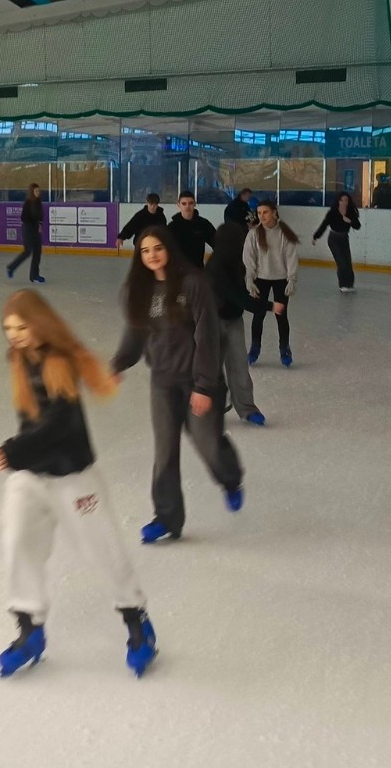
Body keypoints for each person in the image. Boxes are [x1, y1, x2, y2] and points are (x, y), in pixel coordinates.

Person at [0, 288, 157, 679]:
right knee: (18, 541)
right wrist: (20, 456)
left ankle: (137, 622)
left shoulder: (58, 361)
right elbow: (33, 421)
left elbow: (60, 424)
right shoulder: (18, 358)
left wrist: (13, 450)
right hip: (30, 475)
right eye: (8, 328)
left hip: (72, 476)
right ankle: (29, 630)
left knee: (102, 549)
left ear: (40, 324)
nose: (14, 335)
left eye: (21, 327)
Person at [111, 228, 244, 544]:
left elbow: (208, 335)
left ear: (168, 248)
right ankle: (167, 517)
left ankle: (230, 479)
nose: (152, 255)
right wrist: (118, 364)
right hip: (163, 382)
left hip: (200, 379)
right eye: (145, 251)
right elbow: (135, 332)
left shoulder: (193, 283)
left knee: (207, 442)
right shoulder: (141, 289)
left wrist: (204, 386)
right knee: (165, 451)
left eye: (157, 248)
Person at [207, 217, 266, 425]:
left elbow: (241, 290)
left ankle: (247, 408)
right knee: (211, 368)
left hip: (233, 320)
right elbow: (235, 295)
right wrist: (267, 306)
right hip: (211, 322)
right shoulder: (215, 267)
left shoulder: (236, 262)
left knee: (239, 365)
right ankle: (211, 406)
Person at [243, 200, 299, 367]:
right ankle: (255, 347)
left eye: (265, 212)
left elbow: (291, 257)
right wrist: (249, 278)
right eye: (259, 213)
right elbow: (249, 257)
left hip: (281, 279)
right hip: (261, 279)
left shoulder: (284, 233)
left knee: (281, 315)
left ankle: (284, 348)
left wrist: (292, 279)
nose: (262, 216)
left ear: (274, 213)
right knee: (258, 314)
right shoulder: (254, 234)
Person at [312, 192, 361, 291]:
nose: (344, 202)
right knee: (341, 263)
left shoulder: (351, 212)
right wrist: (316, 236)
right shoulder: (333, 212)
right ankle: (342, 285)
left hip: (344, 238)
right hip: (333, 239)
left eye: (346, 200)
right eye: (341, 200)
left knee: (348, 262)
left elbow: (357, 226)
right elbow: (324, 225)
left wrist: (350, 221)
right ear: (338, 201)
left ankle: (349, 285)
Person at [6, 182, 45, 283]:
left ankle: (34, 275)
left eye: (38, 191)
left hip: (35, 229)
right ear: (32, 192)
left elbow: (40, 216)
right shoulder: (28, 202)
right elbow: (24, 217)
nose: (38, 193)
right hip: (28, 229)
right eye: (36, 191)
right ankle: (11, 267)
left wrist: (39, 224)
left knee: (37, 252)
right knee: (27, 251)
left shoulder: (38, 201)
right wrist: (32, 222)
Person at [167, 190, 214, 269]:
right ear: (178, 205)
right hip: (177, 270)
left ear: (195, 204)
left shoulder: (203, 224)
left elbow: (217, 243)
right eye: (184, 203)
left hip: (197, 269)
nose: (187, 206)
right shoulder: (172, 227)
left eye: (190, 203)